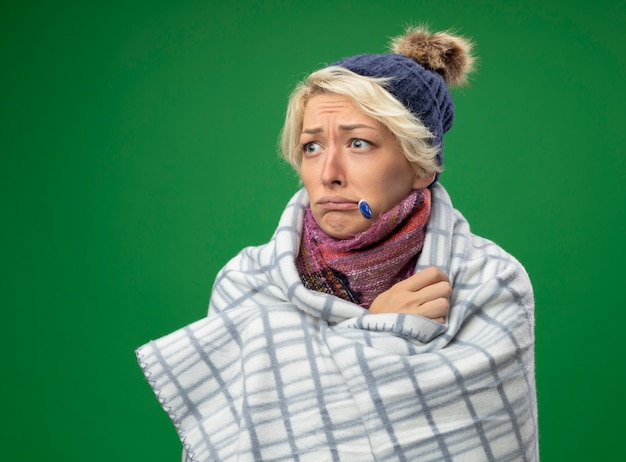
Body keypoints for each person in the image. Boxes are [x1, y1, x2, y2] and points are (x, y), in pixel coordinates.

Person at [137, 26, 538, 461]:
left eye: (359, 143)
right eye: (311, 147)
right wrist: (378, 328)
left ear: (422, 165)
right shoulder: (247, 281)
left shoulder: (488, 280)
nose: (329, 173)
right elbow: (243, 437)